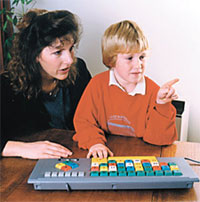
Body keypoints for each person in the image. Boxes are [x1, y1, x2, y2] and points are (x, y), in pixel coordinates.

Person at [73, 20, 179, 159]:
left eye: (142, 57)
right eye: (129, 58)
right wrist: (94, 143)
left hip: (142, 155)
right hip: (107, 152)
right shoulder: (97, 84)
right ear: (111, 60)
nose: (138, 64)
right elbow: (84, 121)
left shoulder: (154, 91)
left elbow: (160, 139)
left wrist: (162, 105)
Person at [0, 9, 91, 159]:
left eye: (71, 49)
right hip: (28, 168)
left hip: (76, 156)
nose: (69, 60)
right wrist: (21, 148)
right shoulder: (5, 87)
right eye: (58, 52)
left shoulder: (79, 69)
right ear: (34, 54)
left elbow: (95, 117)